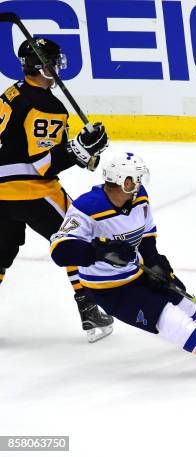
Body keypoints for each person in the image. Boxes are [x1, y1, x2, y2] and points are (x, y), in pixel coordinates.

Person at [49, 152, 196, 375]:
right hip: (109, 289)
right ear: (126, 181)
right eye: (136, 179)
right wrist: (98, 251)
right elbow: (60, 251)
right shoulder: (87, 207)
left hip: (138, 270)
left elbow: (147, 234)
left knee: (179, 297)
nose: (140, 184)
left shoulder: (139, 197)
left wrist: (154, 261)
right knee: (170, 320)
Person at [0, 37, 112, 341]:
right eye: (51, 62)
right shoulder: (47, 106)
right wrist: (77, 148)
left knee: (1, 252)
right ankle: (89, 310)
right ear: (38, 66)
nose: (56, 68)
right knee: (76, 236)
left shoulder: (14, 91)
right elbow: (42, 165)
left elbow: (30, 146)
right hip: (30, 189)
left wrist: (83, 152)